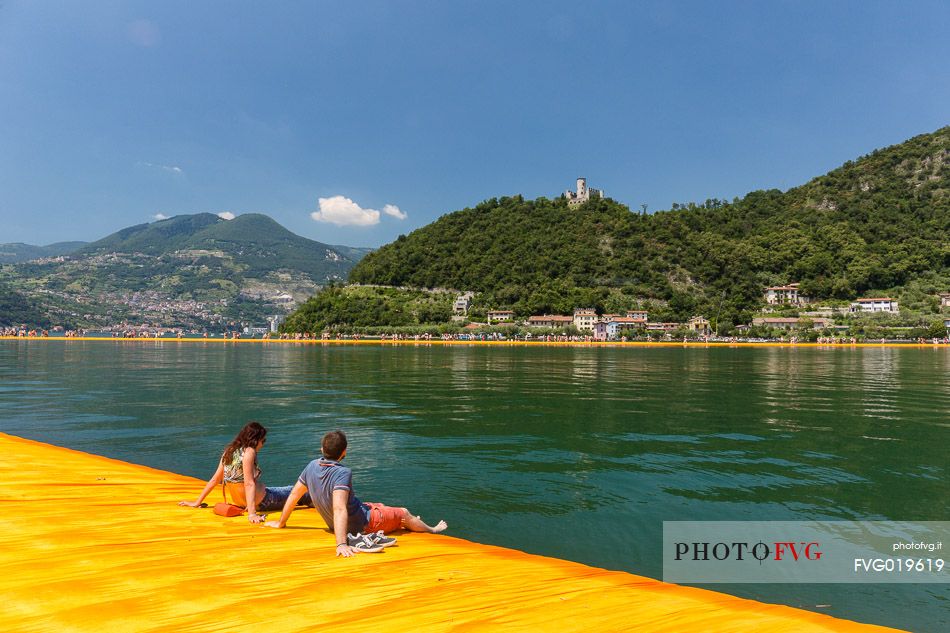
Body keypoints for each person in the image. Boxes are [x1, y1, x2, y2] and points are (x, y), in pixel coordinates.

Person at [265, 430, 447, 557]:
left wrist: (282, 522)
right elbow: (339, 508)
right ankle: (431, 529)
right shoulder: (342, 472)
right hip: (364, 524)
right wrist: (341, 543)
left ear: (322, 449)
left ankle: (406, 521)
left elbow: (294, 496)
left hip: (350, 517)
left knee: (377, 506)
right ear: (344, 452)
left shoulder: (312, 466)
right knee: (403, 512)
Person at [179, 422, 310, 524]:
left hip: (240, 502)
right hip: (263, 501)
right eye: (262, 441)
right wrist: (252, 514)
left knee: (288, 489)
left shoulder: (229, 451)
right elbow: (248, 483)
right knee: (301, 492)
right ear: (255, 439)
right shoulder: (249, 452)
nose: (262, 445)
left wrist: (197, 502)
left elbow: (215, 480)